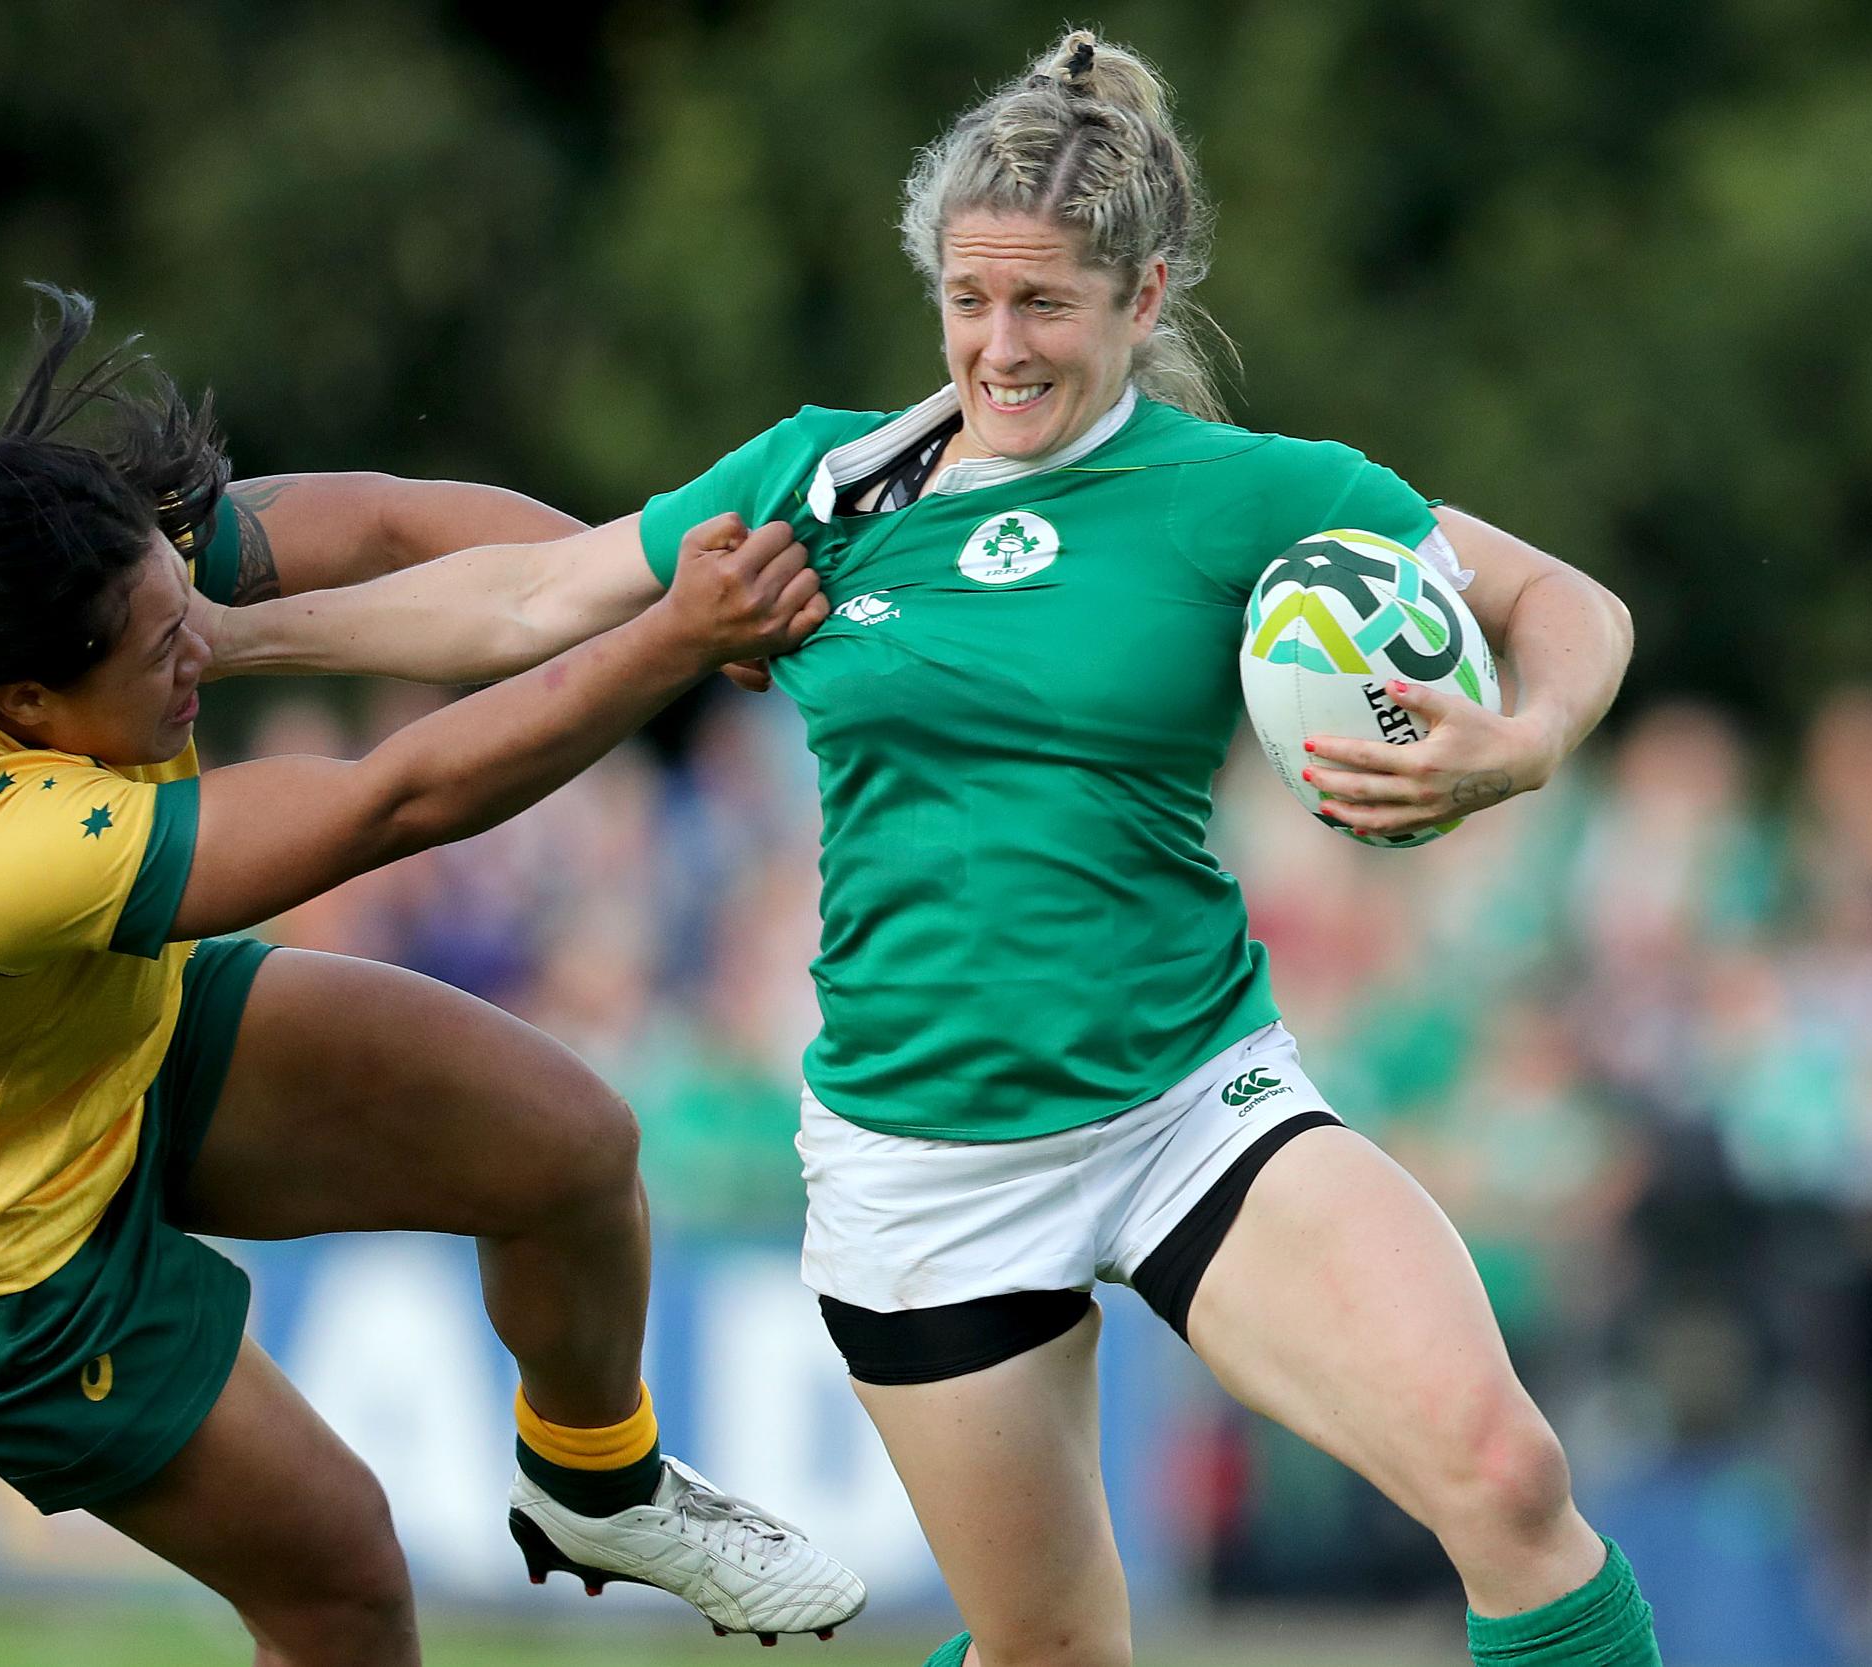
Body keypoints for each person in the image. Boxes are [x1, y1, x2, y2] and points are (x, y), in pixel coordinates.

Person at [197, 32, 1663, 1667]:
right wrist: (226, 642)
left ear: (1145, 295)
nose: (999, 344)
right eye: (969, 300)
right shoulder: (827, 481)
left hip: (1190, 1103)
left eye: (1043, 304)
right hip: (922, 1165)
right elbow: (532, 599)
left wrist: (1521, 742)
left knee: (1506, 1474)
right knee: (1052, 1651)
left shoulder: (1252, 492)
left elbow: (1564, 604)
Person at [0, 290, 865, 1666]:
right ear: (29, 710)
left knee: (570, 1147)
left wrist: (652, 586)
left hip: (96, 1043)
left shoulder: (81, 562)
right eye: (165, 651)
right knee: (344, 1587)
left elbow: (389, 526)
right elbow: (397, 801)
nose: (202, 640)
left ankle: (594, 1483)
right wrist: (672, 644)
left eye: (183, 599)